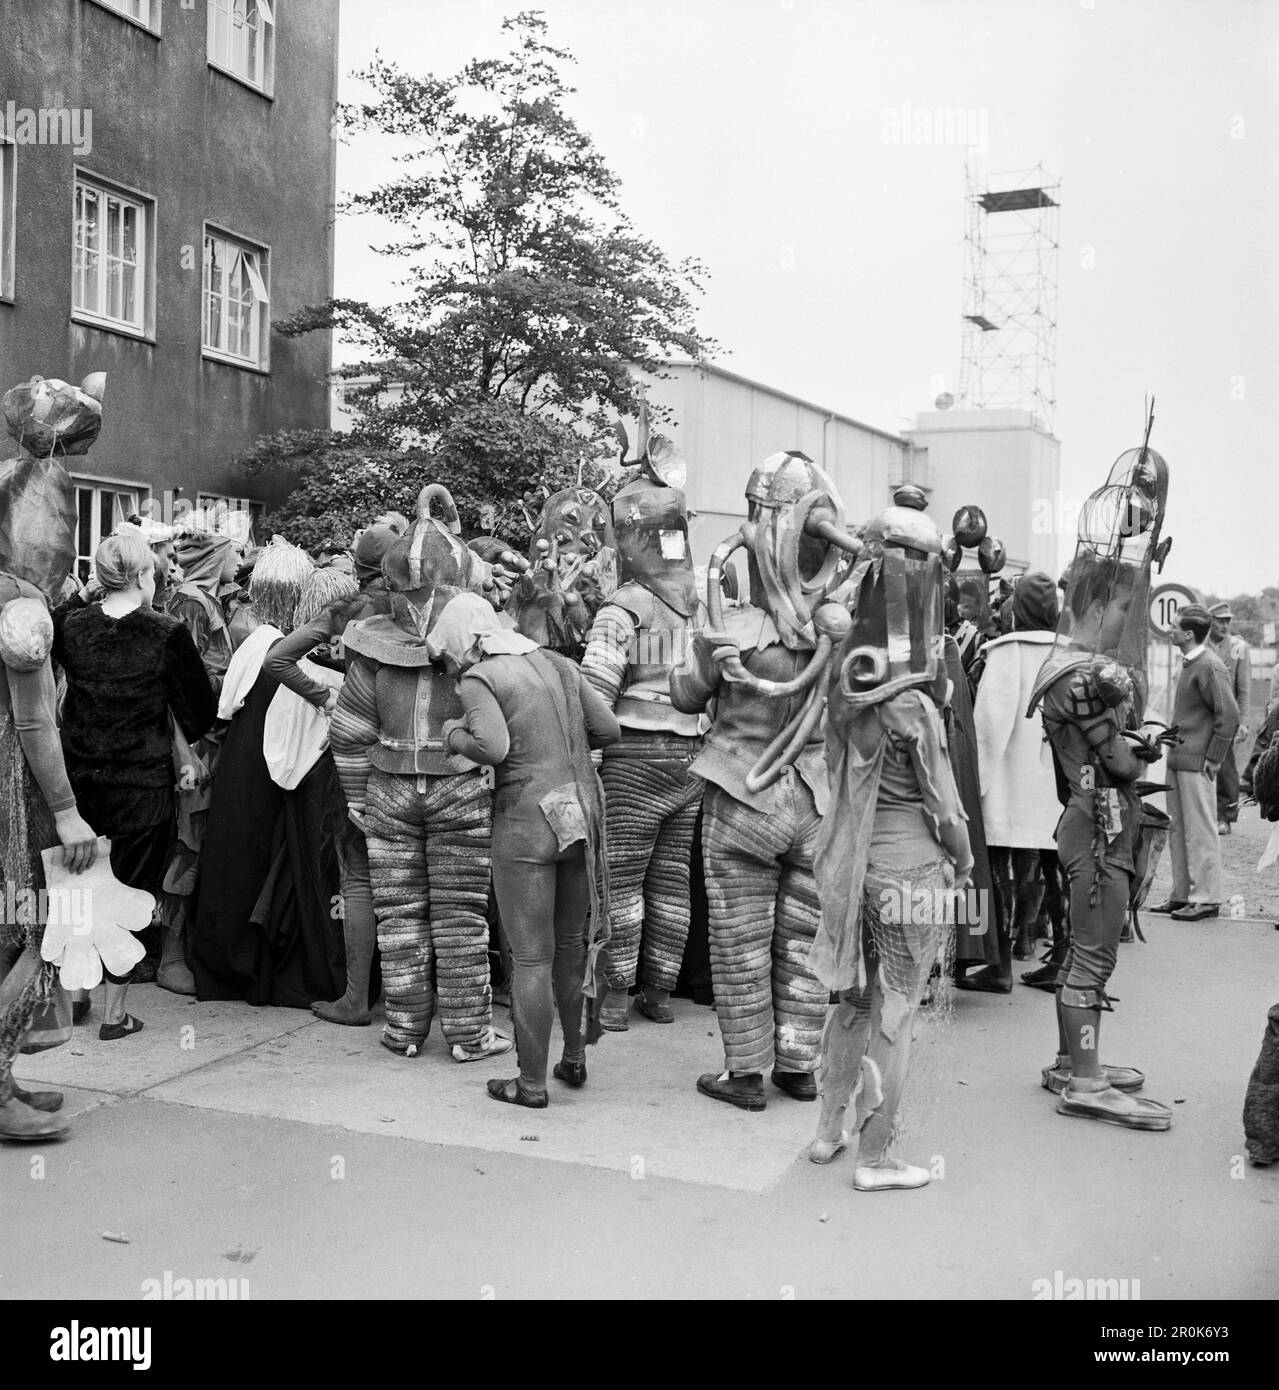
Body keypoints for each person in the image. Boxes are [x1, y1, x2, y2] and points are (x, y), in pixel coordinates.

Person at [670, 451, 859, 1111]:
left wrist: (705, 660)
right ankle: (799, 1064)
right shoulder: (842, 631)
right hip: (815, 802)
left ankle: (744, 1073)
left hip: (741, 796)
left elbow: (687, 697)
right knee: (805, 939)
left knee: (738, 938)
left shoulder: (733, 628)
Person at [807, 491, 972, 1190]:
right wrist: (962, 864)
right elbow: (946, 810)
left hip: (850, 866)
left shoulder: (844, 688)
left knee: (849, 1002)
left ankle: (826, 1134)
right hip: (910, 874)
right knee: (896, 1013)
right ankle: (875, 1157)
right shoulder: (912, 702)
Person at [330, 486, 512, 1062]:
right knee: (460, 915)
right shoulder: (481, 648)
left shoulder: (372, 648)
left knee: (399, 913)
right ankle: (468, 1036)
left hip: (387, 790)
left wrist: (357, 797)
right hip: (460, 786)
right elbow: (501, 732)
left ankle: (404, 1031)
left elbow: (349, 728)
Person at [1027, 439, 1174, 1131]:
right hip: (1099, 824)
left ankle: (1070, 1060)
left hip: (1087, 821)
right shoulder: (1086, 676)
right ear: (1095, 607)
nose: (1127, 618)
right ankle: (1083, 1081)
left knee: (1084, 948)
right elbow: (1117, 765)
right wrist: (1140, 747)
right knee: (1092, 952)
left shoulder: (1074, 666)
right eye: (1121, 607)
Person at [431, 592, 620, 1106]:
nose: (448, 667)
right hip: (579, 812)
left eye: (446, 656)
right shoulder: (556, 662)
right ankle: (574, 1059)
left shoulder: (481, 678)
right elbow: (608, 728)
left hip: (526, 821)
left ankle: (531, 1084)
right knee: (572, 946)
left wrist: (452, 735)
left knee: (532, 957)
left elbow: (493, 748)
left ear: (462, 643)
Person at [54, 530, 216, 1039]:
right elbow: (199, 709)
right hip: (140, 781)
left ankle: (77, 994)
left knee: (79, 884)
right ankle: (114, 1013)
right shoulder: (165, 632)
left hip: (79, 776)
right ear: (145, 574)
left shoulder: (72, 627)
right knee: (131, 889)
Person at [0, 371, 102, 1140]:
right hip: (13, 802)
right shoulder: (21, 612)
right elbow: (36, 726)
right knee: (25, 925)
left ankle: (5, 1075)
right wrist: (66, 813)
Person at [190, 538, 350, 1007]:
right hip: (273, 770)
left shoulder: (253, 643)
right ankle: (256, 968)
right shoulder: (291, 654)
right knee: (264, 865)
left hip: (243, 767)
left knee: (235, 862)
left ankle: (230, 966)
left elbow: (225, 708)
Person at [581, 424, 704, 1030]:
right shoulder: (704, 608)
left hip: (632, 758)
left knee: (621, 880)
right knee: (672, 880)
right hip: (693, 758)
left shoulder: (623, 607)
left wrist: (588, 761)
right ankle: (660, 992)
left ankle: (615, 997)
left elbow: (594, 697)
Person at [966, 572, 1064, 992]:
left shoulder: (1007, 652)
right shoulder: (1072, 653)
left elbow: (989, 725)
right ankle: (1062, 960)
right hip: (1058, 783)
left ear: (1016, 609)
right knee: (1057, 865)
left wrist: (975, 785)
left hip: (1010, 782)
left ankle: (999, 965)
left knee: (997, 869)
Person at [1147, 605, 1238, 921]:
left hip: (1197, 761)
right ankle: (1183, 894)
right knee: (1180, 830)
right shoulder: (1190, 663)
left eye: (1174, 627)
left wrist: (1214, 757)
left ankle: (1206, 897)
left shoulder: (1209, 666)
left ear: (1188, 634)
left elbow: (1229, 715)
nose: (1170, 630)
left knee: (1200, 831)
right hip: (1180, 758)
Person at [1207, 602, 1250, 835]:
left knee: (1226, 767)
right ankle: (1206, 815)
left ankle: (1226, 816)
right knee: (1198, 766)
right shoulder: (1199, 643)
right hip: (1202, 716)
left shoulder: (1238, 647)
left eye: (1227, 621)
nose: (1224, 625)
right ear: (1209, 620)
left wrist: (1243, 721)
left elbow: (1243, 689)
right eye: (1219, 620)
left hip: (1227, 716)